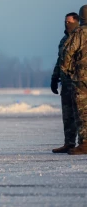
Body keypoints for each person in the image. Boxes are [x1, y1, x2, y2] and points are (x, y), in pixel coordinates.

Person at [50, 12, 80, 153]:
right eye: (65, 22)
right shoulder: (64, 40)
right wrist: (55, 78)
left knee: (80, 114)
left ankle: (83, 142)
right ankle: (69, 143)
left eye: (69, 22)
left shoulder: (81, 37)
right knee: (67, 115)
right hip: (66, 83)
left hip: (78, 81)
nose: (67, 24)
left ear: (77, 22)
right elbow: (60, 61)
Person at [60, 5, 87, 155]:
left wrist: (68, 71)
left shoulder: (79, 33)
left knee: (82, 111)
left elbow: (67, 53)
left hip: (80, 78)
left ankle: (84, 143)